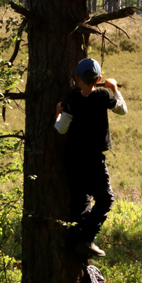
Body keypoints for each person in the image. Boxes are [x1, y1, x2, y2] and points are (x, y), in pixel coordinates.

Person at [54, 57, 127, 259]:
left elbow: (60, 129)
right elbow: (122, 110)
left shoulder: (73, 99)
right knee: (105, 199)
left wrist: (58, 114)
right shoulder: (103, 95)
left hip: (73, 160)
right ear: (99, 78)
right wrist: (115, 89)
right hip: (93, 160)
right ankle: (86, 238)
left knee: (81, 201)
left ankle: (77, 242)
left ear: (77, 78)